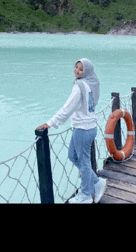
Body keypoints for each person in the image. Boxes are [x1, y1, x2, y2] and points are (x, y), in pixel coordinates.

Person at [36, 58, 106, 203]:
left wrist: (50, 123)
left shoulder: (79, 86)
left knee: (84, 162)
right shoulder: (91, 83)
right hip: (88, 127)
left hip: (83, 129)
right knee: (73, 156)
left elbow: (67, 108)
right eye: (76, 67)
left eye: (81, 69)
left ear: (86, 72)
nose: (77, 71)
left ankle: (86, 196)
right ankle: (97, 183)